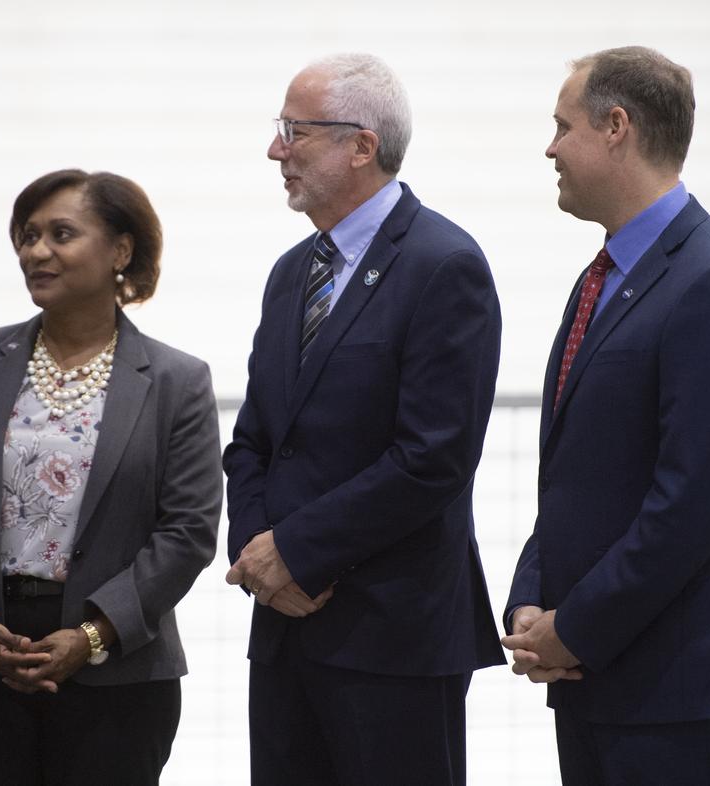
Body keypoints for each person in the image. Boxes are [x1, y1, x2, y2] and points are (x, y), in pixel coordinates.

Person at [501, 46, 710, 785]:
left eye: (563, 127)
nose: (551, 147)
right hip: (597, 676)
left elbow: (687, 506)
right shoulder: (604, 278)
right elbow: (574, 472)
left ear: (616, 127)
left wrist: (575, 627)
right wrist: (533, 600)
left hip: (677, 689)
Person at [222, 53, 505, 785]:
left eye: (295, 132)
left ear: (361, 144)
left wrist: (297, 552)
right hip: (285, 627)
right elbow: (255, 440)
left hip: (393, 640)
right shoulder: (292, 273)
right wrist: (259, 557)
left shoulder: (445, 265)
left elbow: (432, 458)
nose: (275, 150)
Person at [0, 168, 221, 786]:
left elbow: (187, 532)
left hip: (118, 667)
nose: (36, 252)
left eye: (61, 233)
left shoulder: (176, 382)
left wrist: (93, 634)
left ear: (121, 252)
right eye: (27, 236)